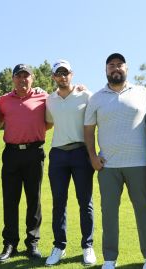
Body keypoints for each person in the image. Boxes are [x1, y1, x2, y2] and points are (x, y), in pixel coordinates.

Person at [84, 53, 146, 269]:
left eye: (119, 65)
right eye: (111, 66)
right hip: (108, 166)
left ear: (126, 68)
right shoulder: (96, 98)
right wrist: (92, 156)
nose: (115, 68)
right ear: (106, 70)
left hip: (139, 164)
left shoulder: (143, 93)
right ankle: (109, 259)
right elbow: (88, 130)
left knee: (143, 210)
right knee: (109, 212)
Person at [0, 64, 51, 263]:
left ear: (32, 78)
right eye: (18, 76)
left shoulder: (43, 97)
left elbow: (50, 121)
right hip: (11, 154)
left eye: (25, 76)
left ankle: (32, 243)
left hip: (34, 153)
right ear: (13, 80)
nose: (22, 79)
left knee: (33, 199)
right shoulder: (3, 101)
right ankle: (10, 243)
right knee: (10, 200)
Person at [44, 60, 96, 266]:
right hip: (58, 155)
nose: (62, 76)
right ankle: (59, 246)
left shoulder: (86, 95)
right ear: (53, 77)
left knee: (85, 202)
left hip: (80, 153)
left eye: (65, 73)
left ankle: (87, 246)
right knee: (59, 203)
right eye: (58, 73)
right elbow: (48, 122)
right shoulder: (50, 100)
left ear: (71, 74)